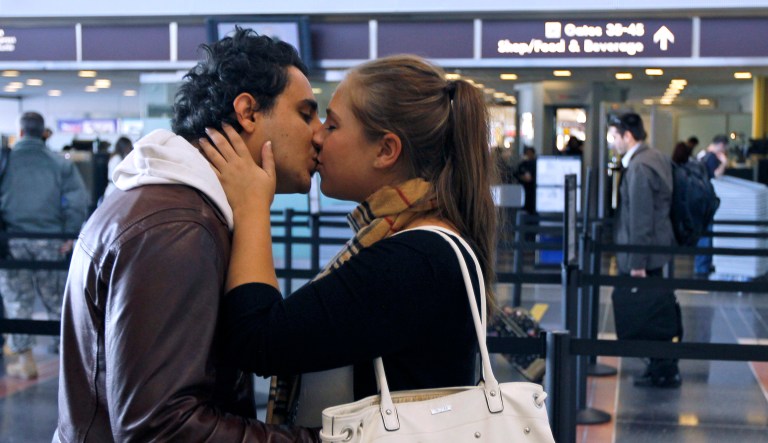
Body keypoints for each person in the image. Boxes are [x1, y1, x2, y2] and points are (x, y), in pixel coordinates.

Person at [200, 54, 499, 427]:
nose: (318, 136)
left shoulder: (415, 259)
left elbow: (258, 339)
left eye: (333, 124)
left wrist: (252, 208)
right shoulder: (419, 243)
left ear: (386, 150)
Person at [55, 28, 322, 442]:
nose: (319, 133)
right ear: (248, 111)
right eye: (306, 114)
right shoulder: (179, 226)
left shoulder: (165, 200)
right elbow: (160, 426)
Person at [0, 111, 88, 379]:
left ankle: (25, 361)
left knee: (17, 301)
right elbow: (78, 200)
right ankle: (69, 366)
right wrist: (68, 234)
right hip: (51, 241)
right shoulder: (59, 163)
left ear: (22, 132)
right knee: (57, 302)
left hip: (12, 241)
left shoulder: (6, 161)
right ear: (44, 132)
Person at [608, 112, 681, 388]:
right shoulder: (657, 157)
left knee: (648, 312)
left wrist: (636, 262)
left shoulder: (639, 168)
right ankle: (662, 364)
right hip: (658, 250)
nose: (613, 142)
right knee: (656, 308)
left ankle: (662, 367)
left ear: (628, 136)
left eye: (615, 136)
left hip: (644, 255)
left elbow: (639, 218)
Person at [694, 134, 728, 276]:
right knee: (707, 235)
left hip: (698, 200)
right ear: (721, 145)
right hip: (707, 202)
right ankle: (702, 268)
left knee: (703, 235)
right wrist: (724, 163)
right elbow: (716, 176)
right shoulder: (712, 157)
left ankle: (701, 266)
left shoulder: (701, 154)